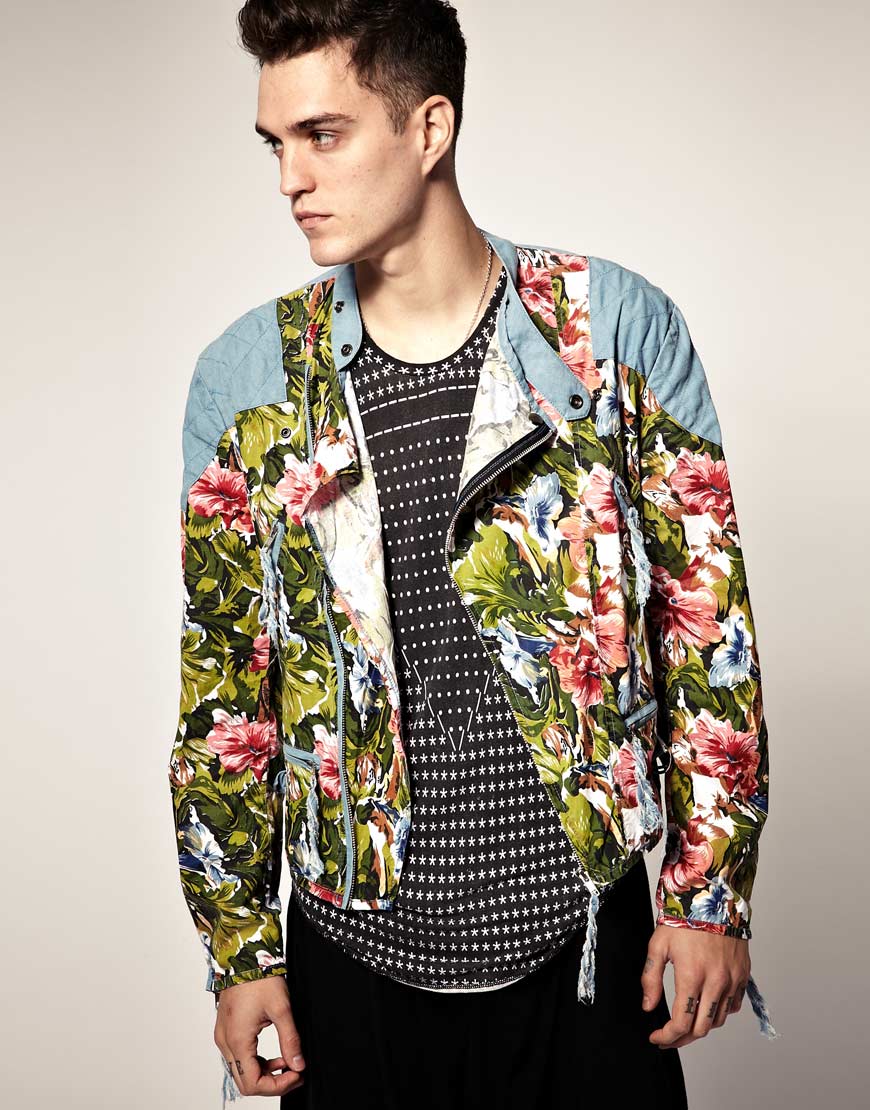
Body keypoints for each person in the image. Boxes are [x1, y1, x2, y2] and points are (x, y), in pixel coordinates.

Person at [168, 2, 778, 1106]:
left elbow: (706, 625)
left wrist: (708, 895)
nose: (291, 179)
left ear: (430, 128)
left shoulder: (611, 331)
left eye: (323, 135)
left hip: (584, 947)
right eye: (276, 144)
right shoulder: (249, 379)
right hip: (351, 961)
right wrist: (240, 949)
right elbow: (225, 686)